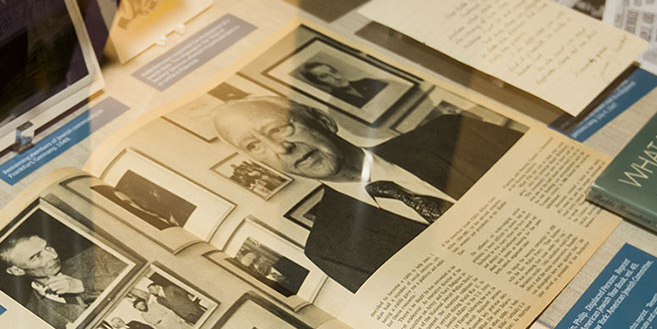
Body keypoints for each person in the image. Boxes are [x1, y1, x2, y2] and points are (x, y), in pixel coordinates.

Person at [214, 97, 521, 292]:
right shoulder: (332, 250)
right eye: (254, 147)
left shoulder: (449, 133)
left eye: (279, 128)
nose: (281, 149)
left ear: (321, 120)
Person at [0, 233, 124, 329]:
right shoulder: (34, 315)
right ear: (17, 270)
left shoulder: (96, 256)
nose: (52, 256)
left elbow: (141, 278)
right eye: (37, 256)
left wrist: (84, 285)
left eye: (48, 247)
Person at [297, 61, 388, 108]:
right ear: (318, 82)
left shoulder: (367, 81)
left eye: (334, 71)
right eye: (325, 76)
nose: (336, 78)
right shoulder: (337, 103)